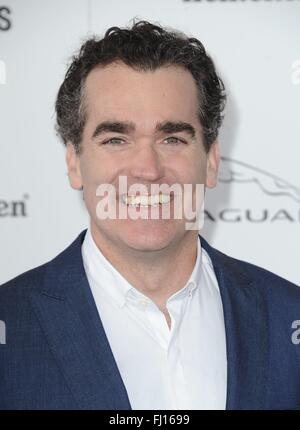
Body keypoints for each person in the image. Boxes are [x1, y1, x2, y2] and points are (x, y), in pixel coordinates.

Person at [1, 20, 300, 411]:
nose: (147, 168)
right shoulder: (11, 323)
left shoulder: (287, 315)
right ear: (74, 162)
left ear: (211, 161)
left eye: (172, 138)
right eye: (116, 139)